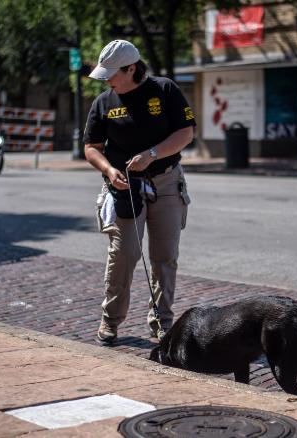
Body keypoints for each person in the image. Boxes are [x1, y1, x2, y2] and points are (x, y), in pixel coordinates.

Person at [83, 39, 196, 345]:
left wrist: (152, 154)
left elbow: (186, 132)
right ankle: (110, 320)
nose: (106, 80)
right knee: (124, 255)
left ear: (131, 69)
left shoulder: (165, 90)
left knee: (164, 256)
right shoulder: (104, 102)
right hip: (125, 187)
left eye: (111, 74)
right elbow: (91, 148)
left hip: (167, 181)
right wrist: (109, 170)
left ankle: (162, 322)